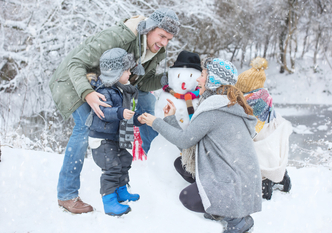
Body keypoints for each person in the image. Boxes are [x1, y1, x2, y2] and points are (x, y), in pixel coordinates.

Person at [49, 8, 180, 214]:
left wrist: (169, 79)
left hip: (109, 86)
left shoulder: (157, 50)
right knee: (86, 126)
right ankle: (67, 195)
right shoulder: (119, 37)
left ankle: (158, 166)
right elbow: (76, 64)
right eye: (161, 36)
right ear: (149, 29)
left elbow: (143, 83)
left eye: (168, 39)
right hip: (75, 82)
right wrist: (88, 94)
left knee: (145, 99)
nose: (164, 43)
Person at [141, 58, 262, 233]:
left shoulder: (215, 109)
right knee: (180, 164)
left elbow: (185, 140)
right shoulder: (227, 105)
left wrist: (156, 122)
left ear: (213, 79)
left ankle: (237, 219)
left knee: (187, 198)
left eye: (203, 75)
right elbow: (191, 140)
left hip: (233, 183)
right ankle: (221, 207)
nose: (198, 79)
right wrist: (170, 118)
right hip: (241, 181)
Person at [86, 48, 143, 216]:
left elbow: (127, 111)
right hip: (102, 139)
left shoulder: (122, 90)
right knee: (112, 167)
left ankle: (121, 190)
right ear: (115, 73)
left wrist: (139, 118)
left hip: (115, 137)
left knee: (125, 160)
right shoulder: (103, 91)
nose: (129, 72)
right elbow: (104, 112)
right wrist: (120, 113)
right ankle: (109, 200)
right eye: (126, 70)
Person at [235, 57, 292, 200]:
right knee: (269, 158)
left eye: (241, 89)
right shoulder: (264, 96)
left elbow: (250, 127)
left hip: (260, 136)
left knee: (259, 159)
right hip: (270, 134)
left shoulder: (252, 103)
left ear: (248, 88)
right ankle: (280, 178)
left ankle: (265, 182)